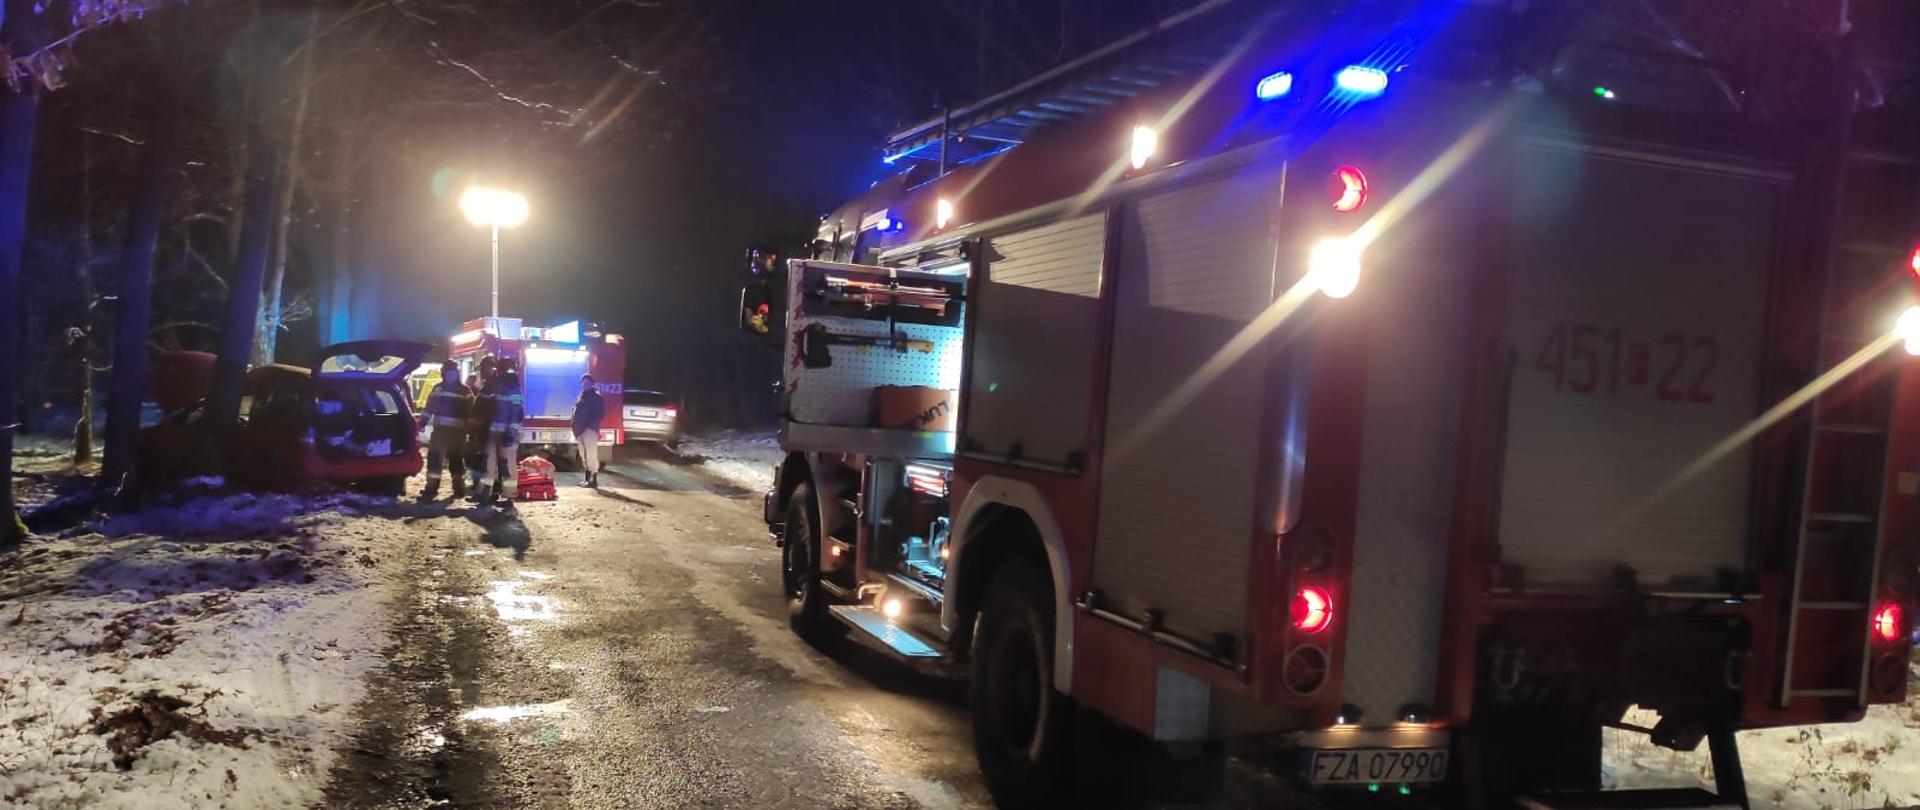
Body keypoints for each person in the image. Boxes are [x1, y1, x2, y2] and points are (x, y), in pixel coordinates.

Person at [419, 360, 472, 500]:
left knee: (456, 460)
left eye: (452, 373)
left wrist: (470, 430)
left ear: (457, 373)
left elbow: (470, 412)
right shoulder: (438, 389)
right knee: (435, 459)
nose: (450, 375)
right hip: (440, 432)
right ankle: (431, 488)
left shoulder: (465, 391)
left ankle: (459, 488)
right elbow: (429, 407)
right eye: (447, 373)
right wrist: (423, 421)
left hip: (458, 433)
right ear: (443, 373)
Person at [478, 363, 525, 511]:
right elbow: (488, 409)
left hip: (506, 434)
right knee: (488, 464)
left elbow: (517, 414)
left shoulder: (514, 390)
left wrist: (511, 434)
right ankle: (485, 494)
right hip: (493, 433)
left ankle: (508, 497)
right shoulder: (497, 387)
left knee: (507, 466)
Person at [465, 360, 498, 502]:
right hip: (488, 431)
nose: (483, 372)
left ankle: (485, 494)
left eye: (485, 368)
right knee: (490, 464)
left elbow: (481, 411)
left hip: (488, 431)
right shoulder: (490, 386)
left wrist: (473, 429)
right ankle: (488, 492)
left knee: (487, 464)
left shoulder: (491, 388)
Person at [572, 373, 606, 488]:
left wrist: (588, 425)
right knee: (583, 455)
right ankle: (587, 479)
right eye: (583, 383)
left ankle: (593, 479)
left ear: (592, 384)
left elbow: (599, 414)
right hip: (580, 430)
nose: (584, 385)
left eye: (587, 383)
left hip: (589, 429)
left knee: (591, 454)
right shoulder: (582, 396)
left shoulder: (596, 397)